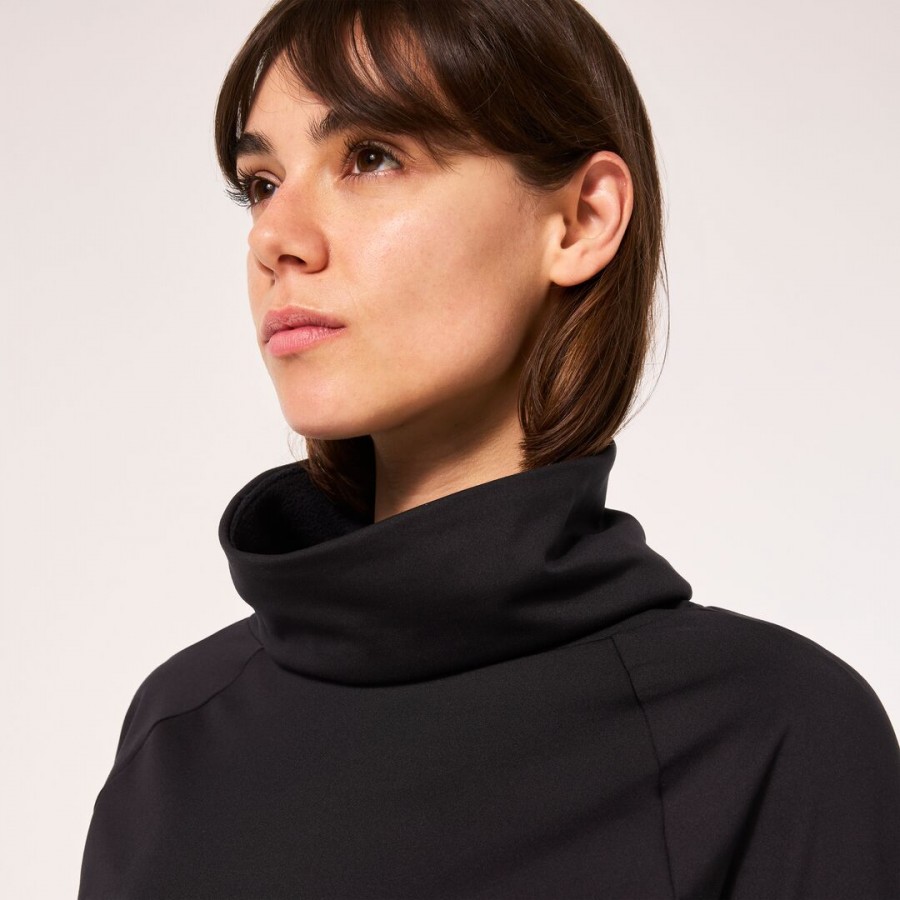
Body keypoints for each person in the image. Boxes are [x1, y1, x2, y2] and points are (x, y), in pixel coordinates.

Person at [78, 0, 900, 897]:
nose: (275, 238)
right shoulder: (174, 735)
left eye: (372, 157)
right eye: (262, 182)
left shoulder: (772, 739)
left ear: (580, 220)